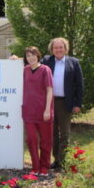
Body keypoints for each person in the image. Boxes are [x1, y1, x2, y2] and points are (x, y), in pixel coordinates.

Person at [41, 37, 84, 169]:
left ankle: (62, 160)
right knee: (52, 133)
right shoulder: (47, 61)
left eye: (61, 47)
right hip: (50, 102)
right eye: (56, 48)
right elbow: (32, 62)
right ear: (52, 49)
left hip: (66, 103)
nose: (58, 50)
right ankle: (56, 160)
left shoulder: (74, 62)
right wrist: (17, 59)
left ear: (65, 49)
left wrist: (78, 104)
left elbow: (80, 84)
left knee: (64, 133)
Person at [22, 46, 54, 176]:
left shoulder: (45, 70)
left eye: (33, 55)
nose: (31, 58)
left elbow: (49, 90)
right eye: (28, 56)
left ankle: (44, 167)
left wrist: (47, 109)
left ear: (38, 55)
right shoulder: (25, 70)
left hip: (43, 111)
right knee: (31, 140)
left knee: (46, 140)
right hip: (29, 111)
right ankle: (35, 166)